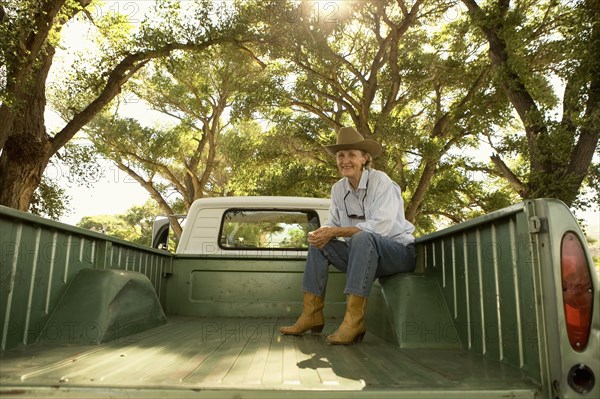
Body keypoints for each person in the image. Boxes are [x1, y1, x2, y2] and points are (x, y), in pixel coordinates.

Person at [280, 126, 416, 345]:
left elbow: (380, 227)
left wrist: (337, 231)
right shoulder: (338, 189)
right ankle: (311, 315)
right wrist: (321, 233)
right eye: (340, 155)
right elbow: (332, 224)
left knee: (362, 237)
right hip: (361, 256)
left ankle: (354, 322)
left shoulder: (382, 182)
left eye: (352, 155)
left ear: (365, 159)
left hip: (397, 254)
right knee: (319, 243)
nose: (345, 160)